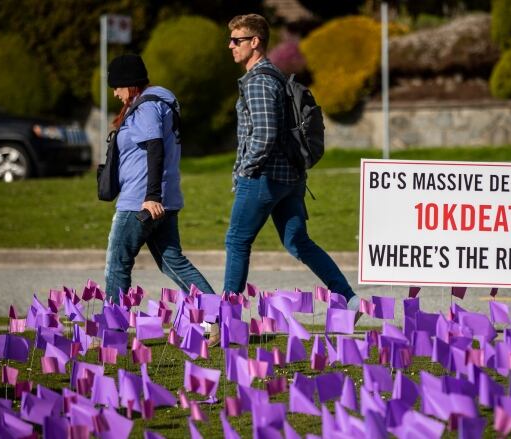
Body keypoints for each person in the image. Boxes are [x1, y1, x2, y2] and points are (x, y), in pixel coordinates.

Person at [214, 14, 361, 344]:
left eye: (237, 40)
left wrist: (245, 169)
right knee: (298, 243)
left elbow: (263, 134)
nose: (230, 46)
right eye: (230, 40)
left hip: (264, 178)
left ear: (255, 42)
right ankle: (350, 299)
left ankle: (226, 323)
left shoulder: (258, 81)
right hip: (290, 178)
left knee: (237, 242)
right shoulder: (276, 77)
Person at [103, 54, 215, 304]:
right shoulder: (164, 101)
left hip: (140, 202)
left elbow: (155, 148)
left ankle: (111, 334)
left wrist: (151, 196)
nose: (114, 94)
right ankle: (218, 318)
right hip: (166, 198)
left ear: (130, 84)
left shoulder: (146, 107)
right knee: (172, 262)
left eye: (117, 87)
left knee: (117, 266)